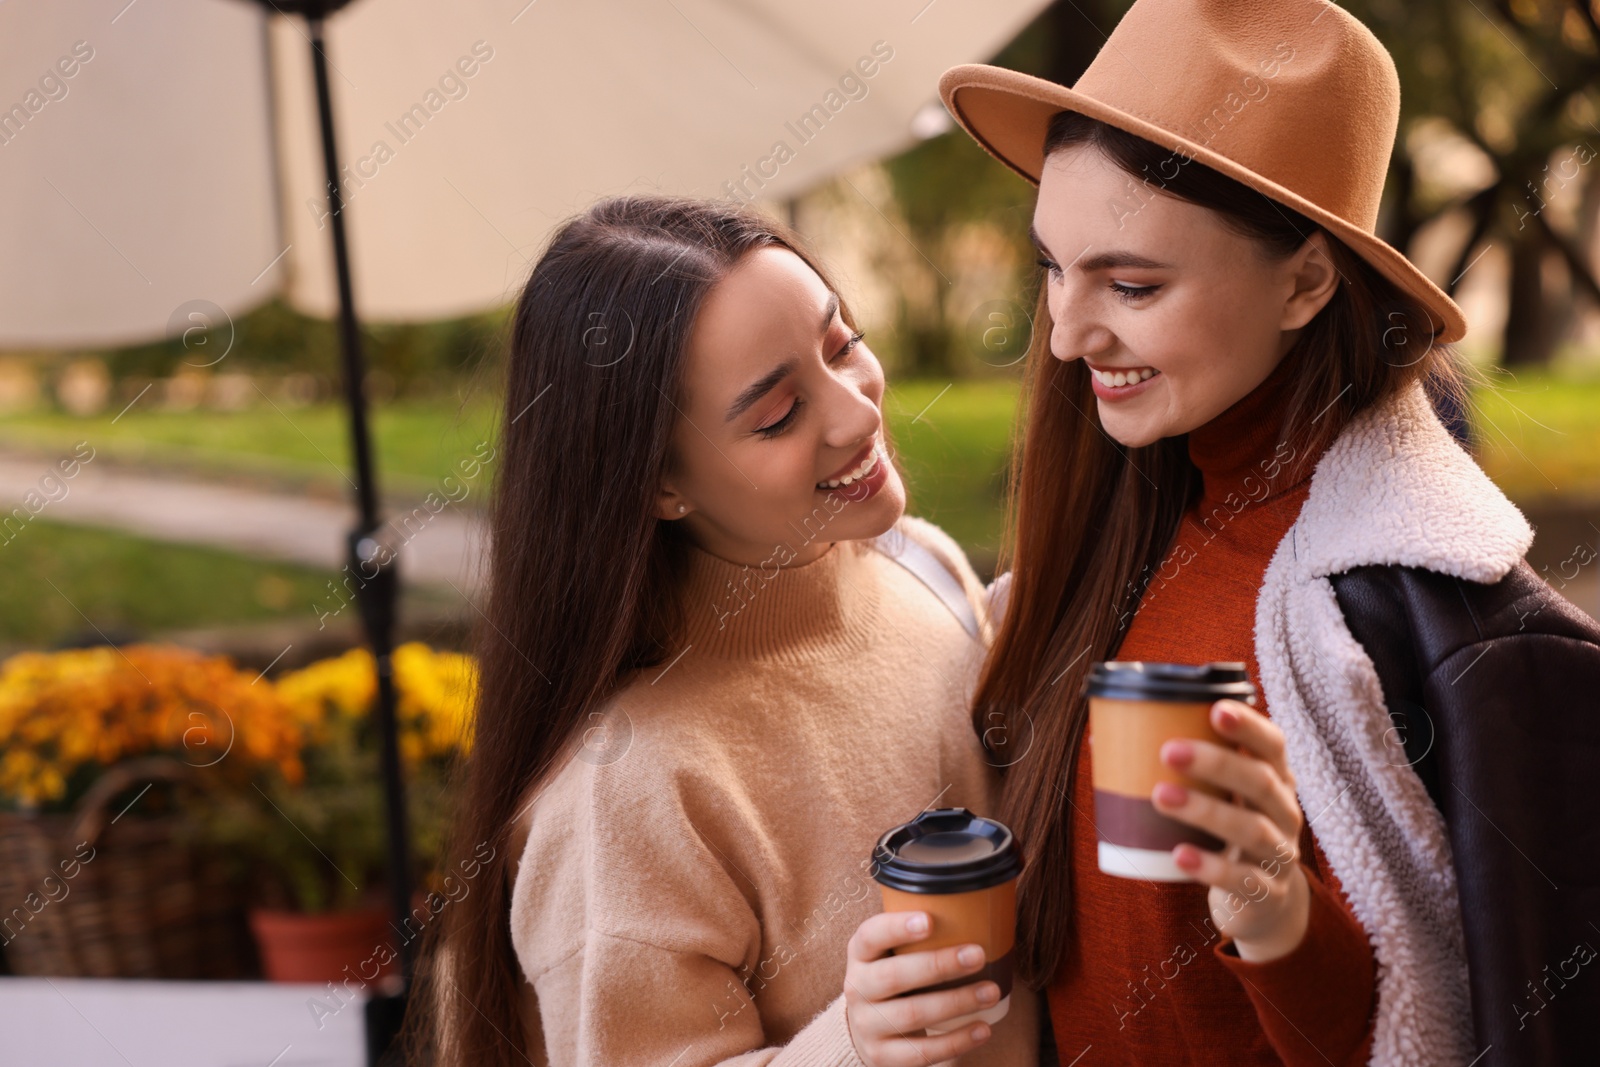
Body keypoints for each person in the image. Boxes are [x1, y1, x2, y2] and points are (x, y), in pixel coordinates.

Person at [939, 0, 1600, 1064]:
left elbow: (1452, 1028)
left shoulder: (1428, 624)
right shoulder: (1104, 538)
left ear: (1303, 280)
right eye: (1052, 267)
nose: (1066, 334)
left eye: (1131, 282)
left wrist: (1275, 911)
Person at [407, 195, 1040, 1066]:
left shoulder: (918, 567)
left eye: (841, 343)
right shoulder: (627, 791)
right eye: (778, 414)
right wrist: (851, 1046)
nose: (856, 413)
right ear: (661, 483)